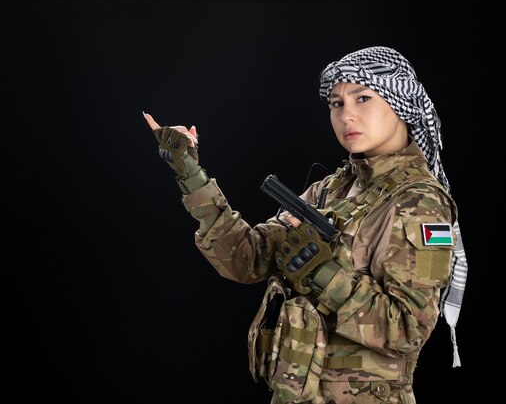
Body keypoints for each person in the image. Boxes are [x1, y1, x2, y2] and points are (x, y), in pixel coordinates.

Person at [143, 46, 468, 404]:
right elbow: (247, 259)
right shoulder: (331, 189)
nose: (348, 116)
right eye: (336, 103)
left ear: (401, 104)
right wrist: (191, 174)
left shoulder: (419, 202)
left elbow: (408, 330)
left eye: (363, 98)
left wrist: (322, 272)